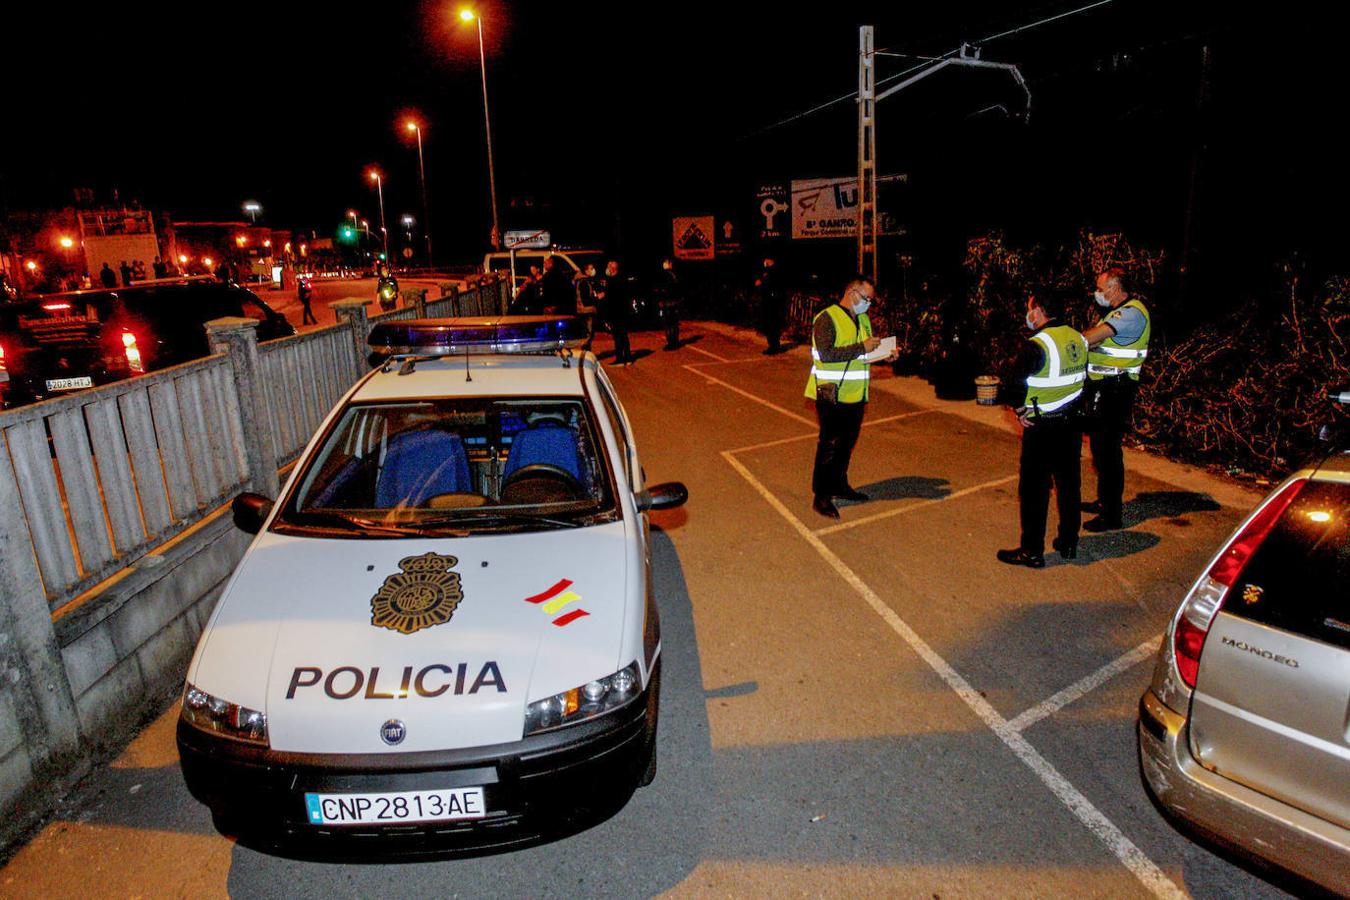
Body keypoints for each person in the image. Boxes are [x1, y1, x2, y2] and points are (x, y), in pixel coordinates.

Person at [997, 290, 1089, 568]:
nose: (1029, 314)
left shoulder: (1037, 344)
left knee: (1034, 490)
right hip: (1071, 424)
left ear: (1038, 311)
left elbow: (1011, 384)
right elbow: (1084, 380)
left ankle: (1032, 551)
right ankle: (1069, 543)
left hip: (1042, 427)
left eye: (1030, 308)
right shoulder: (1078, 338)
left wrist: (1021, 410)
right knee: (1069, 484)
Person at [804, 276, 896, 518]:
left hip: (856, 394)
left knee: (846, 444)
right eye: (867, 299)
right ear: (853, 293)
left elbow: (863, 354)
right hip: (831, 393)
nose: (869, 304)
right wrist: (861, 348)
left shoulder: (862, 319)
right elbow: (826, 353)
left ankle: (840, 485)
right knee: (830, 445)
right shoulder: (826, 318)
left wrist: (884, 354)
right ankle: (821, 496)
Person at [1079, 267, 1151, 532]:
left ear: (1115, 286)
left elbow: (1093, 339)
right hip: (1107, 387)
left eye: (1101, 288)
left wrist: (1069, 341)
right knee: (1100, 448)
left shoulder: (1130, 314)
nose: (1097, 293)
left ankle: (1112, 514)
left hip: (1116, 389)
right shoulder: (1116, 314)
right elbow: (1100, 343)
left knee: (1107, 451)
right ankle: (1105, 502)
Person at [598, 260, 633, 365]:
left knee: (617, 335)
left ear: (612, 268)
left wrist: (603, 296)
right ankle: (627, 357)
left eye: (608, 266)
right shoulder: (622, 279)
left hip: (615, 311)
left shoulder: (612, 281)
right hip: (622, 310)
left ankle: (620, 358)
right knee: (623, 335)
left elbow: (610, 298)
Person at [757, 257, 786, 354]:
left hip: (773, 302)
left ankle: (773, 346)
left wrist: (762, 282)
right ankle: (774, 345)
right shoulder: (770, 271)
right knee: (771, 325)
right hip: (770, 301)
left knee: (772, 325)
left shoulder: (774, 272)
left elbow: (771, 284)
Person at [658, 259, 681, 350]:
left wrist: (661, 300)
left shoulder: (666, 275)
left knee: (668, 323)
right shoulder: (674, 274)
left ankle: (671, 342)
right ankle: (674, 341)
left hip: (668, 302)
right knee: (674, 323)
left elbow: (663, 289)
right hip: (674, 301)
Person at [574, 263, 599, 349]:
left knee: (586, 334)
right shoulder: (583, 281)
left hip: (583, 310)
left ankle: (586, 352)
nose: (593, 271)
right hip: (586, 311)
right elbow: (585, 299)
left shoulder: (581, 280)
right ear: (586, 270)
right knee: (588, 334)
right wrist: (596, 298)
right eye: (591, 269)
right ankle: (586, 353)